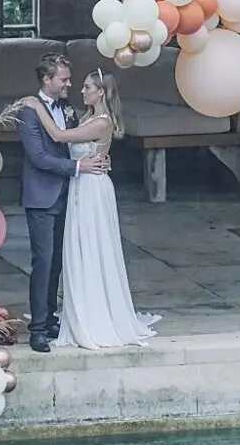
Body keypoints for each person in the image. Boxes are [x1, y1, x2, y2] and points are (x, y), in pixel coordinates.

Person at [13, 70, 155, 350]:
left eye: (87, 87)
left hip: (90, 189)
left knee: (91, 248)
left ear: (100, 92)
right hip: (79, 186)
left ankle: (94, 316)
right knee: (75, 250)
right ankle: (71, 312)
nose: (80, 89)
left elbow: (58, 135)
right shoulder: (86, 116)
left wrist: (35, 106)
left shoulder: (101, 122)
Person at [14, 52, 103, 352]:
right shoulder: (27, 112)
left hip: (70, 194)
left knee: (58, 264)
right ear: (47, 80)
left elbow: (71, 142)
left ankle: (50, 316)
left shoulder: (66, 108)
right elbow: (38, 157)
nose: (69, 84)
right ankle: (38, 328)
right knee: (43, 262)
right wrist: (78, 168)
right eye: (63, 79)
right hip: (41, 196)